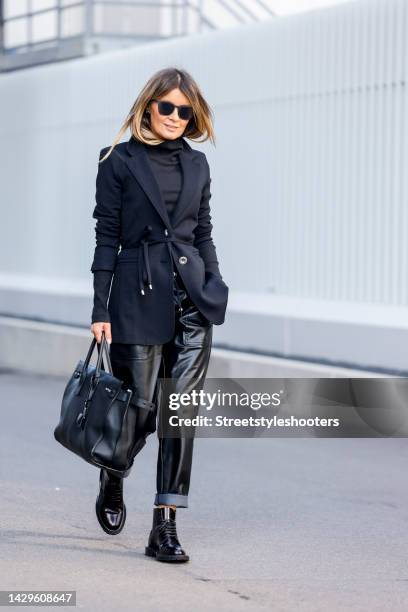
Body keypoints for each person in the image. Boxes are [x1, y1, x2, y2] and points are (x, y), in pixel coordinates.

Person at [89, 67, 229, 563]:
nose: (174, 116)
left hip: (192, 301)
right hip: (135, 296)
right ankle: (114, 471)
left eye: (184, 110)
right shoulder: (118, 161)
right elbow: (107, 236)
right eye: (166, 106)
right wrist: (99, 306)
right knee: (142, 409)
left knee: (179, 414)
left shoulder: (198, 165)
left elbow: (203, 230)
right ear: (149, 105)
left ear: (193, 116)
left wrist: (215, 283)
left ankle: (164, 527)